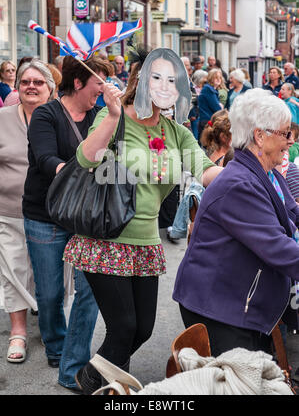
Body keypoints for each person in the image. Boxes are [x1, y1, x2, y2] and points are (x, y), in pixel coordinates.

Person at [62, 47, 222, 395]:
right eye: (158, 77)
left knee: (142, 330)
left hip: (146, 243)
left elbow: (204, 168)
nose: (166, 87)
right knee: (123, 328)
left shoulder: (176, 132)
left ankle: (93, 378)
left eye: (174, 81)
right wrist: (111, 116)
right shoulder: (113, 114)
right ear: (141, 80)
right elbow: (86, 159)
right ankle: (99, 386)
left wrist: (245, 176)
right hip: (106, 240)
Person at [173, 88, 299, 358]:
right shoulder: (239, 185)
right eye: (285, 133)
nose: (290, 141)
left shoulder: (268, 174)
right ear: (260, 135)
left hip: (238, 303)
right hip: (220, 308)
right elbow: (277, 247)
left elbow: (293, 212)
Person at [22, 56, 113, 390]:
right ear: (78, 83)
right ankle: (58, 345)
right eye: (99, 83)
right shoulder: (46, 114)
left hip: (85, 216)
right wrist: (78, 171)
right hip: (44, 215)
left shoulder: (100, 116)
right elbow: (46, 159)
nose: (103, 91)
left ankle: (74, 359)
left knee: (89, 290)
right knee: (49, 294)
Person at [0, 59, 55, 364]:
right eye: (25, 81)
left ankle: (50, 329)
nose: (31, 86)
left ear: (51, 88)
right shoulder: (3, 118)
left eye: (38, 82)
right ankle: (18, 332)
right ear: (17, 87)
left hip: (50, 213)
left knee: (48, 277)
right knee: (13, 270)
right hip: (8, 209)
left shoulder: (60, 117)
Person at [197, 68, 223, 143]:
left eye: (220, 78)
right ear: (211, 78)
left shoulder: (211, 89)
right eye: (216, 78)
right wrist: (220, 106)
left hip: (209, 121)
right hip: (207, 122)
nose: (219, 80)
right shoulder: (208, 89)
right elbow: (217, 108)